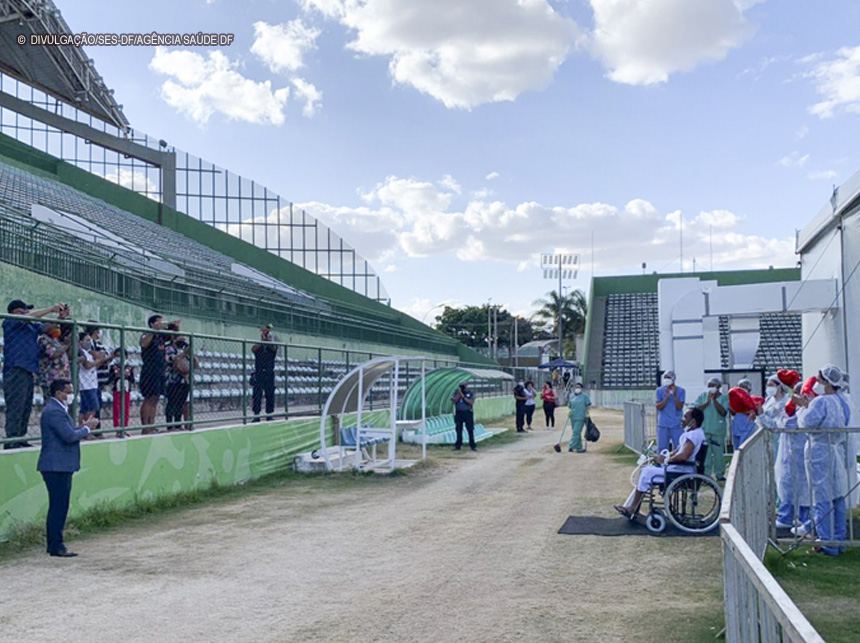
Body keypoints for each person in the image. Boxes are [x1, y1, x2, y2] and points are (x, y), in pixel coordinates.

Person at [37, 378, 98, 557]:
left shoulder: (58, 410)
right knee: (58, 506)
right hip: (56, 466)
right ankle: (56, 545)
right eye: (68, 392)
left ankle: (55, 543)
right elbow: (69, 436)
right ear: (58, 393)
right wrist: (86, 429)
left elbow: (68, 432)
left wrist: (84, 427)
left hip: (60, 465)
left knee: (59, 505)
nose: (70, 396)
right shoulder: (54, 411)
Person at [796, 365, 851, 556]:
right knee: (837, 496)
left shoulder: (820, 403)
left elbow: (805, 423)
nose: (817, 384)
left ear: (827, 382)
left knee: (821, 498)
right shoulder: (843, 401)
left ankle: (826, 542)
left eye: (819, 380)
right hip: (835, 450)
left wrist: (803, 407)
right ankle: (840, 540)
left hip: (818, 451)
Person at [615, 407, 706, 518]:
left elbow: (683, 456)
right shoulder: (696, 434)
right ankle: (633, 507)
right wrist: (664, 457)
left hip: (681, 471)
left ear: (693, 422)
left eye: (685, 417)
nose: (682, 419)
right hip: (682, 469)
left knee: (646, 471)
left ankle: (633, 507)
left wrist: (665, 460)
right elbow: (677, 452)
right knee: (648, 470)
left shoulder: (693, 436)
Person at [3, 300, 67, 449]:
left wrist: (60, 317)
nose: (26, 312)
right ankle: (11, 439)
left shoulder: (31, 326)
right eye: (23, 310)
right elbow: (33, 316)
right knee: (16, 406)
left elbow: (47, 327)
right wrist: (51, 308)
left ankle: (20, 437)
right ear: (15, 311)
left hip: (29, 369)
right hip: (16, 368)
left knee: (26, 406)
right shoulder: (9, 321)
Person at [775, 381, 810, 532]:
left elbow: (789, 424)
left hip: (801, 452)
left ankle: (803, 518)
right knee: (786, 483)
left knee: (804, 487)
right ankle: (786, 516)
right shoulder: (791, 408)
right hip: (789, 452)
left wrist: (781, 419)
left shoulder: (806, 409)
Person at [139, 315, 177, 433]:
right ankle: (145, 427)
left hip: (160, 371)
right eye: (160, 322)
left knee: (155, 398)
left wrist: (173, 326)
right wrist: (154, 330)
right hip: (150, 371)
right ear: (152, 324)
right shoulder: (147, 334)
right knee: (149, 398)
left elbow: (173, 335)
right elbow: (143, 344)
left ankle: (152, 425)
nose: (162, 324)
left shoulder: (161, 337)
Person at [77, 331, 115, 430]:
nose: (89, 343)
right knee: (93, 408)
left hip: (92, 384)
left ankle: (83, 430)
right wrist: (100, 360)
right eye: (87, 340)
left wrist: (106, 358)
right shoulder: (80, 353)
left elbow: (94, 365)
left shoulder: (89, 353)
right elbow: (88, 365)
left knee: (85, 409)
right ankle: (85, 430)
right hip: (86, 385)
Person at [694, 377, 729, 481]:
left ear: (718, 387)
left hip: (718, 430)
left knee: (718, 454)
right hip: (705, 429)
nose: (711, 388)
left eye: (713, 385)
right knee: (706, 455)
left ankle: (719, 474)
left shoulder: (723, 398)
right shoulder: (702, 396)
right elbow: (697, 410)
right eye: (709, 385)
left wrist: (714, 401)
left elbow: (723, 412)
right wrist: (707, 402)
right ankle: (706, 474)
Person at [165, 335, 195, 431]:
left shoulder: (185, 349)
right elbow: (172, 360)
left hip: (184, 380)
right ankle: (170, 425)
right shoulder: (169, 348)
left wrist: (191, 352)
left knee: (181, 403)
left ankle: (178, 424)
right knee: (171, 402)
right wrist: (183, 354)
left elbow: (195, 364)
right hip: (172, 380)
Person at [37, 323, 72, 401]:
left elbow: (67, 354)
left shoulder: (55, 340)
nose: (57, 328)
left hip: (62, 378)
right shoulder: (43, 339)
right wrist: (66, 344)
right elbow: (54, 355)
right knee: (51, 401)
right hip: (51, 379)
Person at [251, 324, 279, 422]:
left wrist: (268, 341)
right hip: (259, 372)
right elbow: (253, 349)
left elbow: (274, 349)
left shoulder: (272, 347)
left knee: (270, 394)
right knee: (257, 394)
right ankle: (256, 414)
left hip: (269, 372)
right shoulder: (258, 346)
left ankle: (269, 414)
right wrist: (262, 341)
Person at [655, 370, 685, 452]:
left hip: (676, 424)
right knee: (662, 448)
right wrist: (666, 398)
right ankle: (661, 463)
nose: (666, 379)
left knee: (680, 447)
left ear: (673, 378)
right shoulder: (659, 391)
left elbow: (680, 407)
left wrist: (675, 396)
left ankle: (679, 464)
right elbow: (659, 407)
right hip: (663, 424)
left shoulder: (681, 391)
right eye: (665, 377)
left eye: (668, 377)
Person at [730, 378, 759, 450]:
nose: (742, 389)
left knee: (745, 448)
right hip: (737, 426)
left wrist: (742, 411)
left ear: (749, 389)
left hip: (748, 426)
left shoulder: (752, 399)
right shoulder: (735, 399)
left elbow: (753, 411)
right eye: (740, 386)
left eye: (744, 387)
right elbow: (733, 412)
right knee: (737, 448)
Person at [108, 361, 135, 432]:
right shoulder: (113, 367)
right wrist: (116, 375)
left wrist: (127, 375)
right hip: (117, 390)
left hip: (126, 390)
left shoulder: (129, 367)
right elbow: (109, 379)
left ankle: (125, 426)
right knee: (116, 409)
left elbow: (132, 379)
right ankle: (117, 426)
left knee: (126, 409)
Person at [451, 380, 476, 451]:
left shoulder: (470, 393)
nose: (462, 387)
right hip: (459, 413)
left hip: (468, 413)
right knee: (458, 429)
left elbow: (471, 402)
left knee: (470, 429)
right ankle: (458, 445)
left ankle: (472, 445)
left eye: (463, 385)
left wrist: (463, 397)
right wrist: (459, 396)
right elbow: (454, 401)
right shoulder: (456, 392)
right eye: (461, 385)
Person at [567, 383, 592, 453]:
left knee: (576, 432)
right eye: (576, 387)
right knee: (576, 433)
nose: (577, 388)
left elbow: (588, 405)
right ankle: (579, 447)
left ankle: (571, 446)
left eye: (579, 387)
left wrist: (586, 411)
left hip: (581, 416)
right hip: (573, 416)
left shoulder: (584, 396)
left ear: (581, 388)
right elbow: (569, 405)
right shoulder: (572, 396)